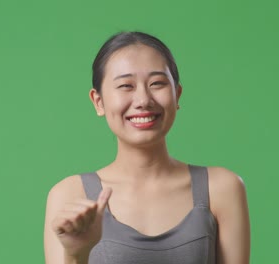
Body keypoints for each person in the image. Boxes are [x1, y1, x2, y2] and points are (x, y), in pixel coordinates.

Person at [44, 31, 250, 264]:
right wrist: (76, 254)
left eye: (157, 83)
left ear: (177, 94)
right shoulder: (70, 195)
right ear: (98, 101)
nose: (143, 99)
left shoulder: (221, 188)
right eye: (125, 86)